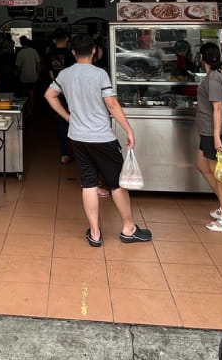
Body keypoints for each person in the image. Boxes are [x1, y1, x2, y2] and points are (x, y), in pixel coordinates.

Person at [45, 32, 152, 247]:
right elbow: (112, 104)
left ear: (73, 52)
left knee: (89, 184)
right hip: (102, 137)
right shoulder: (100, 74)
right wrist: (128, 129)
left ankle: (94, 233)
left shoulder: (65, 74)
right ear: (94, 50)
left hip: (78, 138)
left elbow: (49, 95)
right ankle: (128, 228)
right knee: (116, 184)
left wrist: (68, 117)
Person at [195, 42, 222, 232]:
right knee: (202, 166)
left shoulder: (213, 79)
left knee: (220, 176)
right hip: (209, 132)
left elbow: (217, 108)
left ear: (202, 58)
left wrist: (216, 137)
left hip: (214, 133)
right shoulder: (219, 75)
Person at [46, 29, 76, 163]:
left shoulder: (49, 54)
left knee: (62, 120)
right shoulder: (71, 54)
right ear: (67, 39)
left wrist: (56, 86)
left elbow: (50, 73)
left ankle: (64, 154)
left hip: (56, 91)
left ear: (53, 41)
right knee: (76, 120)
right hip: (71, 91)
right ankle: (77, 152)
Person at [14, 36, 42, 103]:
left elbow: (18, 67)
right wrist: (37, 74)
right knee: (31, 92)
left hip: (23, 77)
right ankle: (31, 108)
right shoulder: (34, 51)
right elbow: (38, 63)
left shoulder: (20, 53)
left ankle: (24, 106)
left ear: (21, 43)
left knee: (24, 92)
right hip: (33, 76)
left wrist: (16, 74)